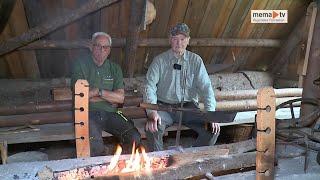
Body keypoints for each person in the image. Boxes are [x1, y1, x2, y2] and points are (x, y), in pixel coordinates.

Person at [143, 23, 220, 151]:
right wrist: (152, 112)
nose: (179, 43)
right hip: (164, 107)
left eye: (182, 39)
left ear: (188, 40)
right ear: (170, 40)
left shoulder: (196, 61)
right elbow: (149, 86)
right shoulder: (159, 61)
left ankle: (191, 159)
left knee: (212, 130)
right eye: (175, 39)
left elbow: (206, 88)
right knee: (153, 128)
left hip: (188, 108)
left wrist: (210, 114)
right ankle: (161, 163)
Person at [71, 32, 141, 156]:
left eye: (105, 47)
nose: (102, 50)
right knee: (95, 146)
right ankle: (98, 171)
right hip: (87, 113)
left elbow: (120, 98)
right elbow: (81, 96)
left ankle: (121, 165)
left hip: (111, 113)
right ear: (91, 47)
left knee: (134, 136)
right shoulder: (80, 65)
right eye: (98, 46)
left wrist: (98, 92)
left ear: (109, 50)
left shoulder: (115, 68)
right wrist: (109, 97)